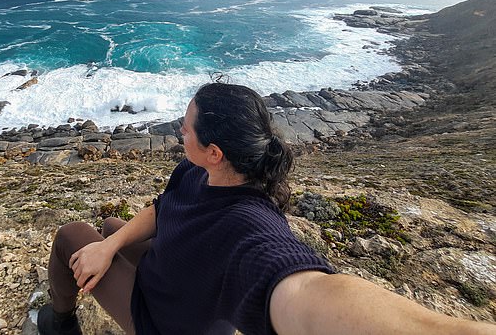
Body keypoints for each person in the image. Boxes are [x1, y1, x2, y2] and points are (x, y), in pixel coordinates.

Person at [38, 83, 496, 335]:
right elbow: (165, 207)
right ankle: (108, 247)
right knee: (112, 227)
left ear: (214, 150)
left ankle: (57, 324)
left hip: (168, 321)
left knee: (73, 236)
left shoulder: (248, 227)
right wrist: (114, 243)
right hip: (178, 283)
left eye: (187, 125)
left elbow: (301, 290)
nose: (179, 129)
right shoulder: (197, 172)